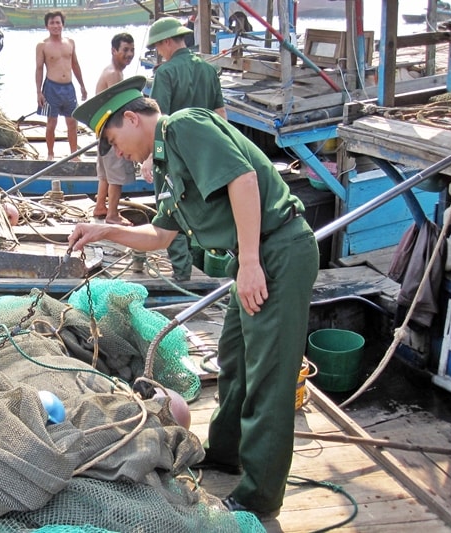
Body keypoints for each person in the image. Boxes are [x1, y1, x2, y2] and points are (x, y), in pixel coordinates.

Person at [68, 76, 319, 520]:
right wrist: (106, 229)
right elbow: (161, 235)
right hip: (257, 254)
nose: (117, 153)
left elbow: (242, 180)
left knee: (269, 375)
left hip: (277, 251)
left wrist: (249, 263)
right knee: (235, 359)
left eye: (113, 140)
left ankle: (261, 494)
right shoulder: (165, 164)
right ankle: (227, 452)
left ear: (131, 118)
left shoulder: (185, 125)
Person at [143, 16, 227, 281]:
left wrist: (148, 158)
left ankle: (182, 273)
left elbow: (158, 120)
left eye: (158, 46)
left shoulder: (165, 73)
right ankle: (202, 260)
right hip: (205, 155)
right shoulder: (208, 69)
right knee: (201, 206)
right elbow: (220, 114)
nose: (158, 51)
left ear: (168, 42)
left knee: (170, 207)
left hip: (174, 154)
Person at [92, 32, 136, 225]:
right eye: (125, 50)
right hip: (111, 132)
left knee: (105, 174)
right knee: (116, 175)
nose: (129, 54)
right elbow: (120, 107)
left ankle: (100, 206)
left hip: (103, 131)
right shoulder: (114, 74)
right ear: (114, 50)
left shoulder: (112, 71)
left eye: (132, 50)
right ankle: (112, 215)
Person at [35, 11, 88, 160]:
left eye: (58, 22)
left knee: (72, 121)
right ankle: (50, 154)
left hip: (69, 87)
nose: (55, 26)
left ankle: (74, 154)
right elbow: (39, 69)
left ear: (62, 24)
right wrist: (38, 92)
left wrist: (82, 86)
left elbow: (75, 64)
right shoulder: (42, 45)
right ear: (47, 26)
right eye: (52, 23)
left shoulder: (70, 42)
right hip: (51, 87)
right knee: (51, 122)